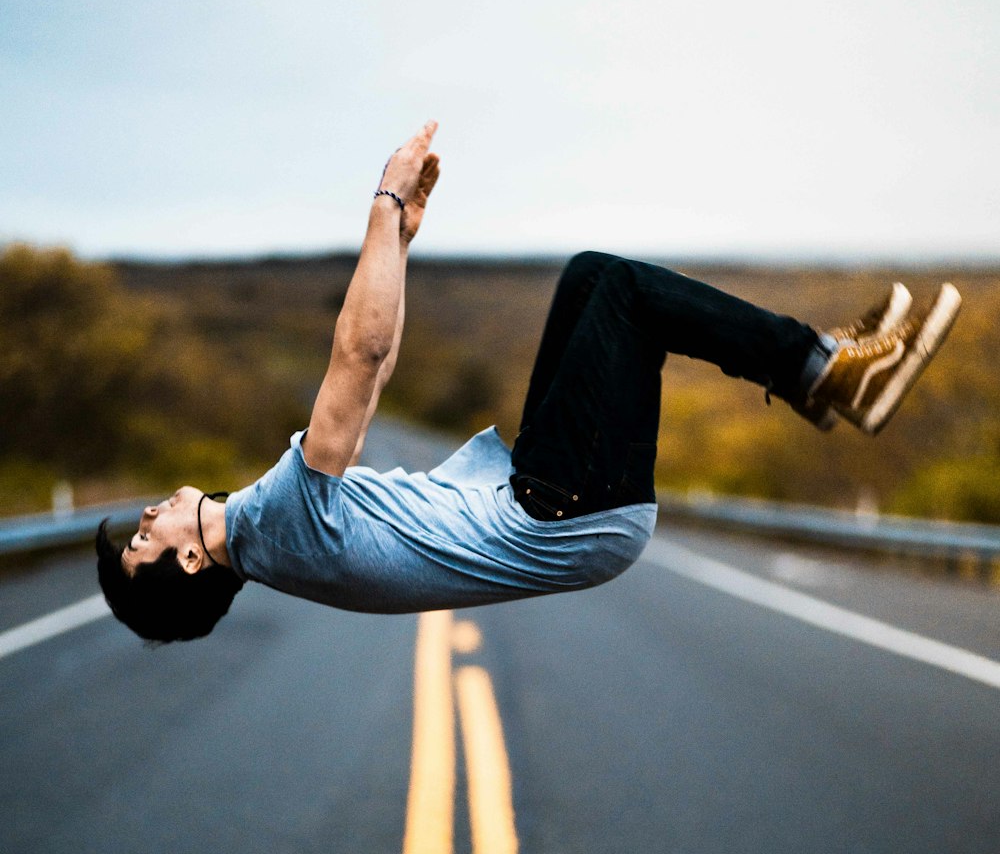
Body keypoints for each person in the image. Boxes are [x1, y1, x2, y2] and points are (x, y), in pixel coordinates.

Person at [96, 120, 962, 644]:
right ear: (187, 558)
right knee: (620, 293)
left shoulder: (274, 531)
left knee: (592, 276)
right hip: (563, 511)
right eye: (142, 542)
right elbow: (355, 366)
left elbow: (380, 365)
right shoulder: (271, 526)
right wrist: (382, 207)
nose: (144, 518)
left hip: (555, 504)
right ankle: (824, 373)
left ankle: (823, 372)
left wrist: (400, 244)